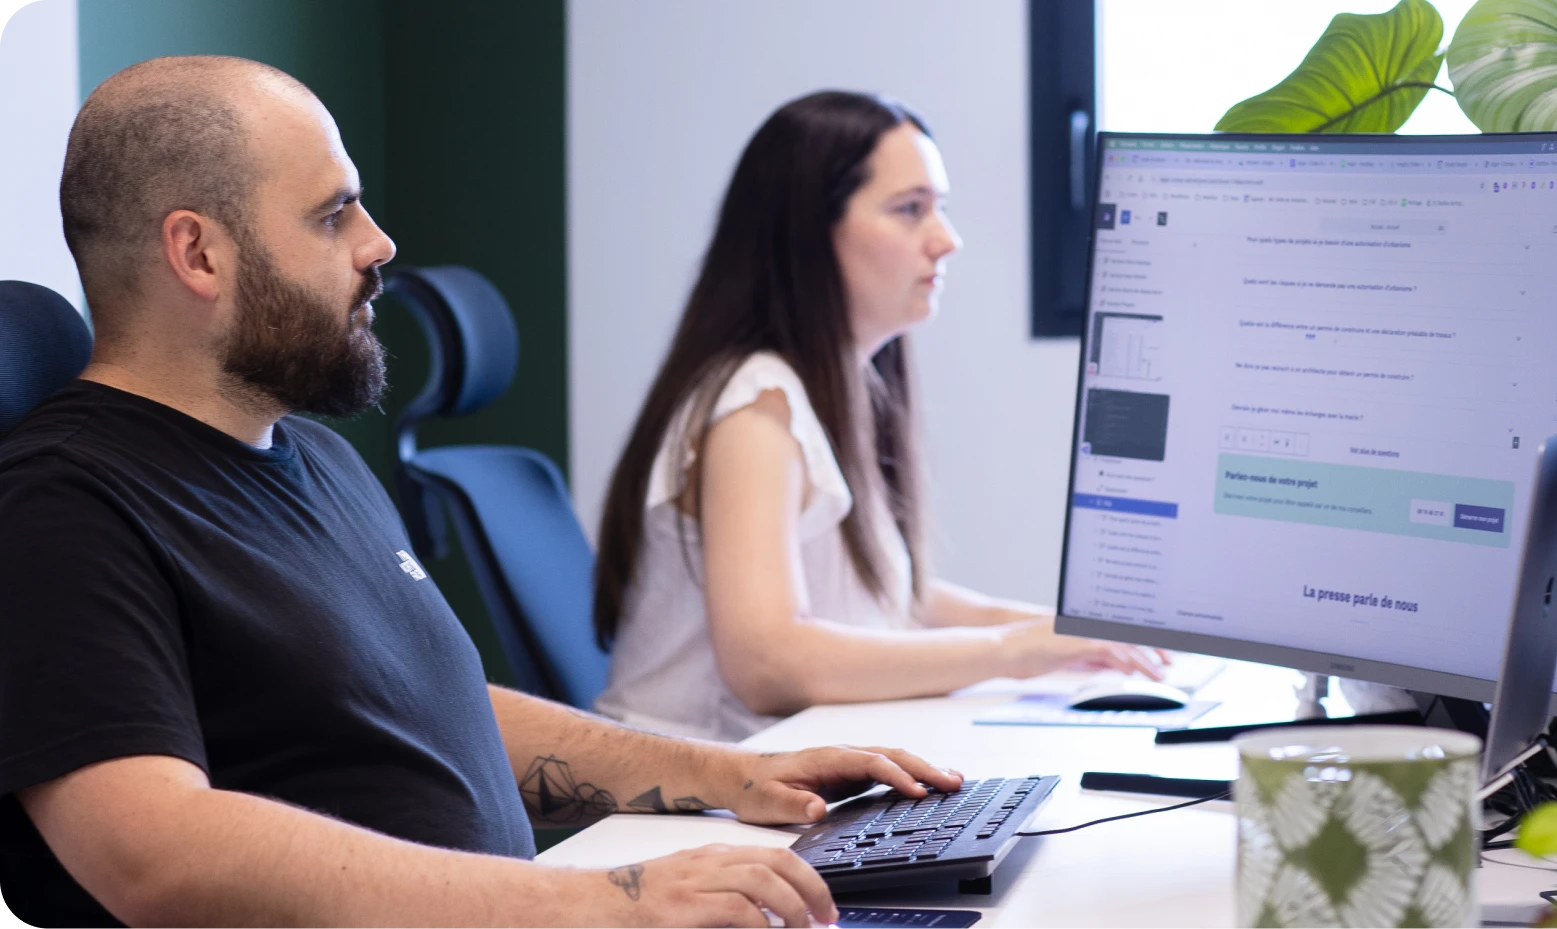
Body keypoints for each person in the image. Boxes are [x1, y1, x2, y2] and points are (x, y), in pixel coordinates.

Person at [0, 57, 962, 929]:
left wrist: (733, 776)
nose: (379, 244)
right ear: (198, 253)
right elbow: (154, 853)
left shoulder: (312, 457)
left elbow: (438, 703)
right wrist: (607, 900)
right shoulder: (65, 506)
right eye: (332, 215)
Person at [592, 92, 1166, 743]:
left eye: (939, 207)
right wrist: (1014, 648)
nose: (947, 240)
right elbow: (765, 662)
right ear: (809, 231)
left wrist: (1064, 633)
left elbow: (888, 595)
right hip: (683, 786)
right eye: (910, 209)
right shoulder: (756, 411)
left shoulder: (836, 383)